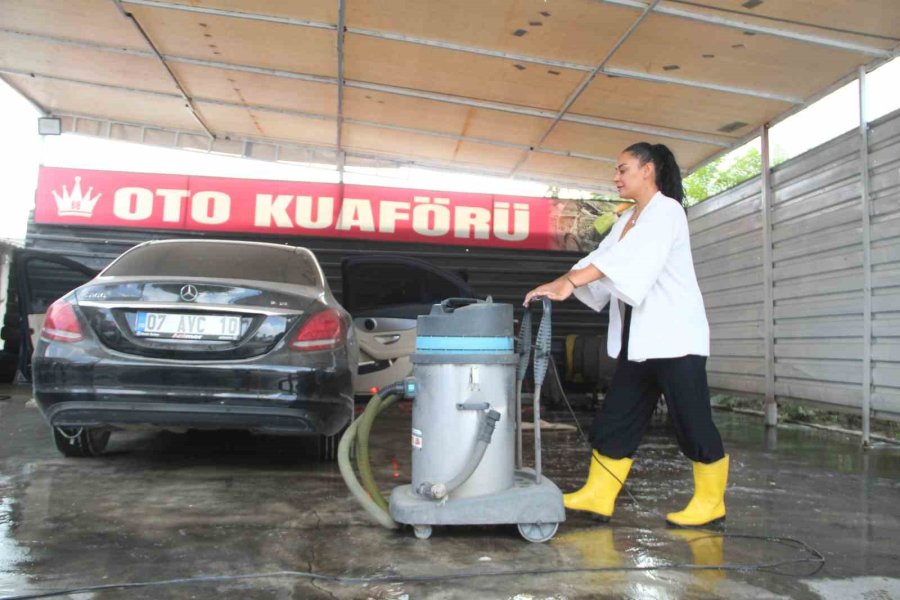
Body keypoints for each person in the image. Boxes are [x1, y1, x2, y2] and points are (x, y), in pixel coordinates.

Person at [523, 142, 728, 528]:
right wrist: (559, 282)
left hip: (675, 341)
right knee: (617, 417)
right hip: (639, 343)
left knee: (693, 421)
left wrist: (570, 283)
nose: (616, 177)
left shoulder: (667, 212)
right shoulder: (628, 219)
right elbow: (597, 258)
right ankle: (599, 495)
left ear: (648, 169)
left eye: (623, 169)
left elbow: (625, 261)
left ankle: (710, 501)